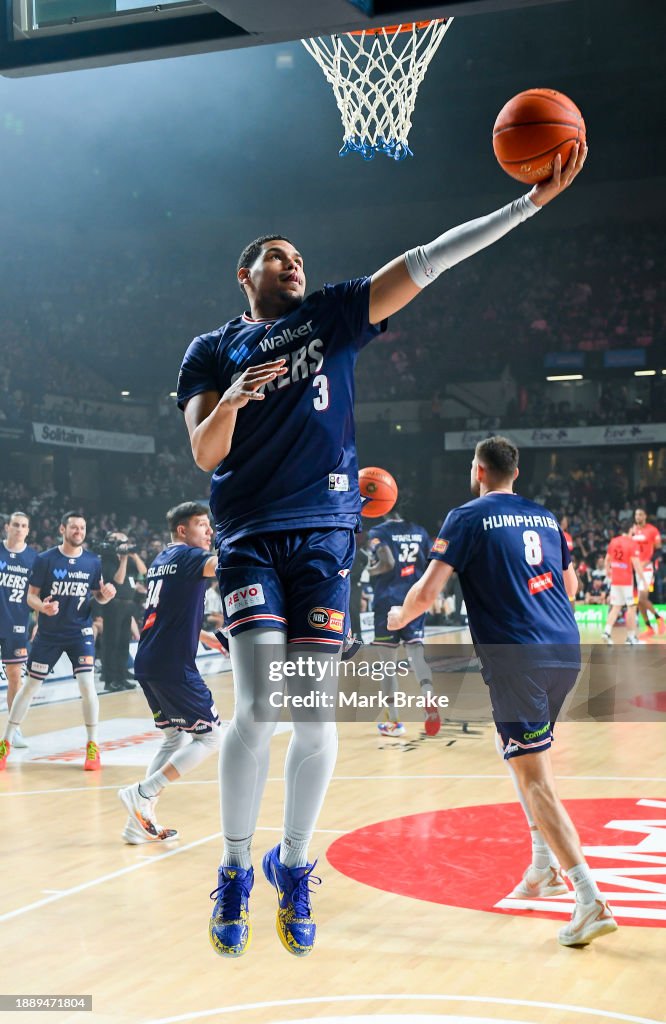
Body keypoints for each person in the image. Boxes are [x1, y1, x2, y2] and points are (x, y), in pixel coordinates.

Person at [177, 146, 587, 958]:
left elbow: (429, 260)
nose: (293, 263)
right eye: (276, 257)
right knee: (261, 708)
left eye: (298, 256)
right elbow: (203, 454)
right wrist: (229, 397)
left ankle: (291, 865)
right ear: (244, 273)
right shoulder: (210, 348)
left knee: (317, 717)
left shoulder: (331, 314)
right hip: (253, 537)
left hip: (328, 539)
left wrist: (526, 207)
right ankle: (231, 869)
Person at [387, 436, 618, 947]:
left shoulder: (466, 516)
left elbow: (428, 592)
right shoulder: (546, 517)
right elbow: (572, 588)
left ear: (479, 471)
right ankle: (542, 867)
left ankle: (588, 897)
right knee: (513, 747)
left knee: (536, 779)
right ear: (518, 471)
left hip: (518, 659)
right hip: (564, 650)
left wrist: (399, 616)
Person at [118, 502, 224, 845]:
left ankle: (138, 822)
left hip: (149, 659)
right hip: (172, 663)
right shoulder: (190, 557)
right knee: (211, 737)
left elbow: (169, 610)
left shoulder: (163, 559)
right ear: (182, 530)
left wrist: (202, 633)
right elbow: (225, 565)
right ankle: (143, 792)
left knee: (174, 738)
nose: (208, 531)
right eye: (202, 525)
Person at [0, 511, 116, 771]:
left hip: (80, 632)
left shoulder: (92, 561)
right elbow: (30, 597)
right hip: (49, 635)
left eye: (82, 528)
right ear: (62, 529)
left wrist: (106, 595)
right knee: (30, 687)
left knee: (87, 684)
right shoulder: (44, 560)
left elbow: (97, 595)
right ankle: (6, 742)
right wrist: (42, 607)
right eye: (73, 527)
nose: (79, 532)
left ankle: (92, 746)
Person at [367, 506, 439, 737]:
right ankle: (428, 696)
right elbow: (433, 564)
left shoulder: (378, 531)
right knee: (417, 655)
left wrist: (372, 569)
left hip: (387, 601)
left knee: (388, 664)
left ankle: (394, 722)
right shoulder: (419, 531)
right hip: (414, 600)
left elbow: (386, 563)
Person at [0, 512, 37, 749]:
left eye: (24, 526)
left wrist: (39, 621)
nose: (19, 529)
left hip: (17, 624)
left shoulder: (34, 559)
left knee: (16, 677)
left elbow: (38, 594)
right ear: (7, 527)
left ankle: (14, 729)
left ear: (28, 530)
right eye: (15, 525)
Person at [100, 531, 147, 691]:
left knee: (123, 643)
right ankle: (110, 679)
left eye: (126, 541)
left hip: (128, 605)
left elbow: (143, 570)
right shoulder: (108, 559)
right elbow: (118, 581)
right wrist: (124, 559)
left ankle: (121, 676)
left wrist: (133, 555)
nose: (124, 544)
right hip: (113, 604)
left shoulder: (128, 559)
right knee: (111, 642)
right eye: (120, 541)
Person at [602, 527, 645, 645]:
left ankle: (607, 631)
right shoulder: (632, 543)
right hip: (627, 581)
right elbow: (636, 563)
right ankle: (631, 638)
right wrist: (643, 579)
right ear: (630, 529)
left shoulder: (614, 541)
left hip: (615, 579)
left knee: (616, 607)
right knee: (631, 608)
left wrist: (608, 572)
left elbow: (607, 560)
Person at [630, 508, 664, 639]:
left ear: (645, 516)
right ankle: (649, 627)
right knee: (639, 601)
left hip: (648, 568)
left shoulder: (652, 530)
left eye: (640, 514)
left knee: (643, 598)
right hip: (636, 568)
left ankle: (659, 619)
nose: (637, 517)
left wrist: (647, 561)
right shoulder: (633, 530)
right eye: (636, 514)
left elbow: (659, 551)